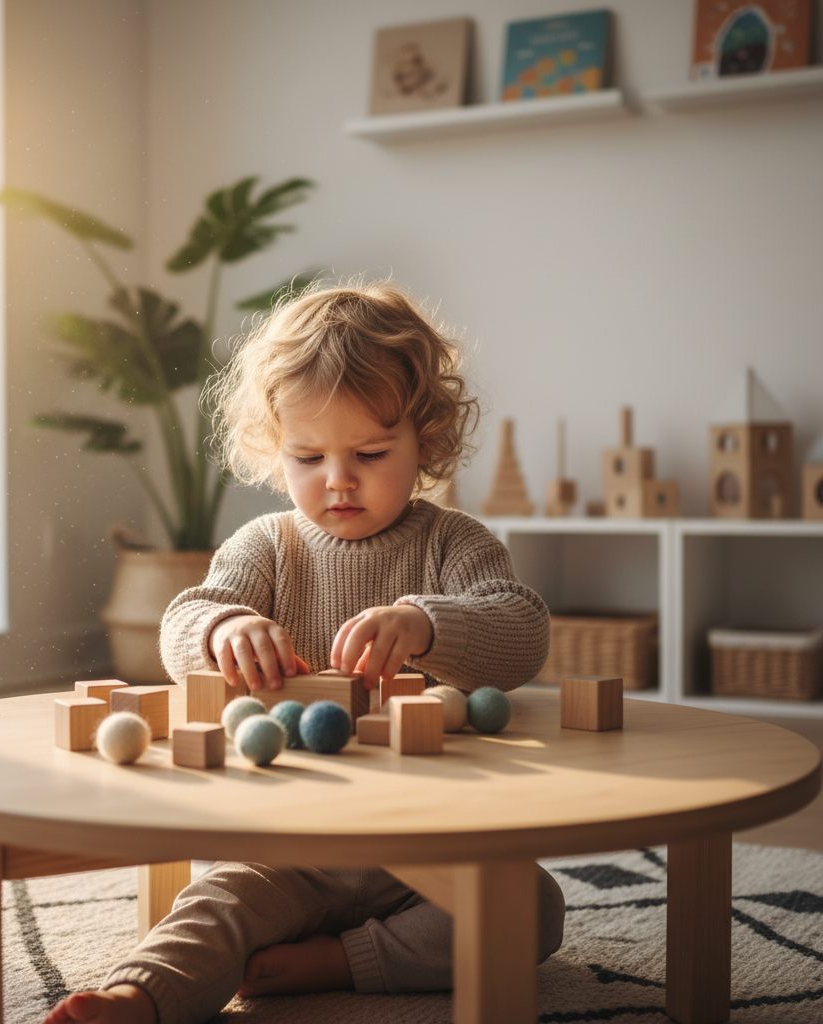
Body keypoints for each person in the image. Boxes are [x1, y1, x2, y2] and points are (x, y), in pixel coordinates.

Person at [43, 281, 563, 1024]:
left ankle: (338, 962)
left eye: (371, 452)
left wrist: (426, 624)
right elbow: (181, 623)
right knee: (216, 905)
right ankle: (137, 998)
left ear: (428, 441)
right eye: (308, 455)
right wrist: (223, 630)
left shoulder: (454, 542)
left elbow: (523, 630)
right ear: (274, 448)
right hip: (284, 846)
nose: (338, 478)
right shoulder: (268, 546)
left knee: (533, 910)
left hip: (422, 846)